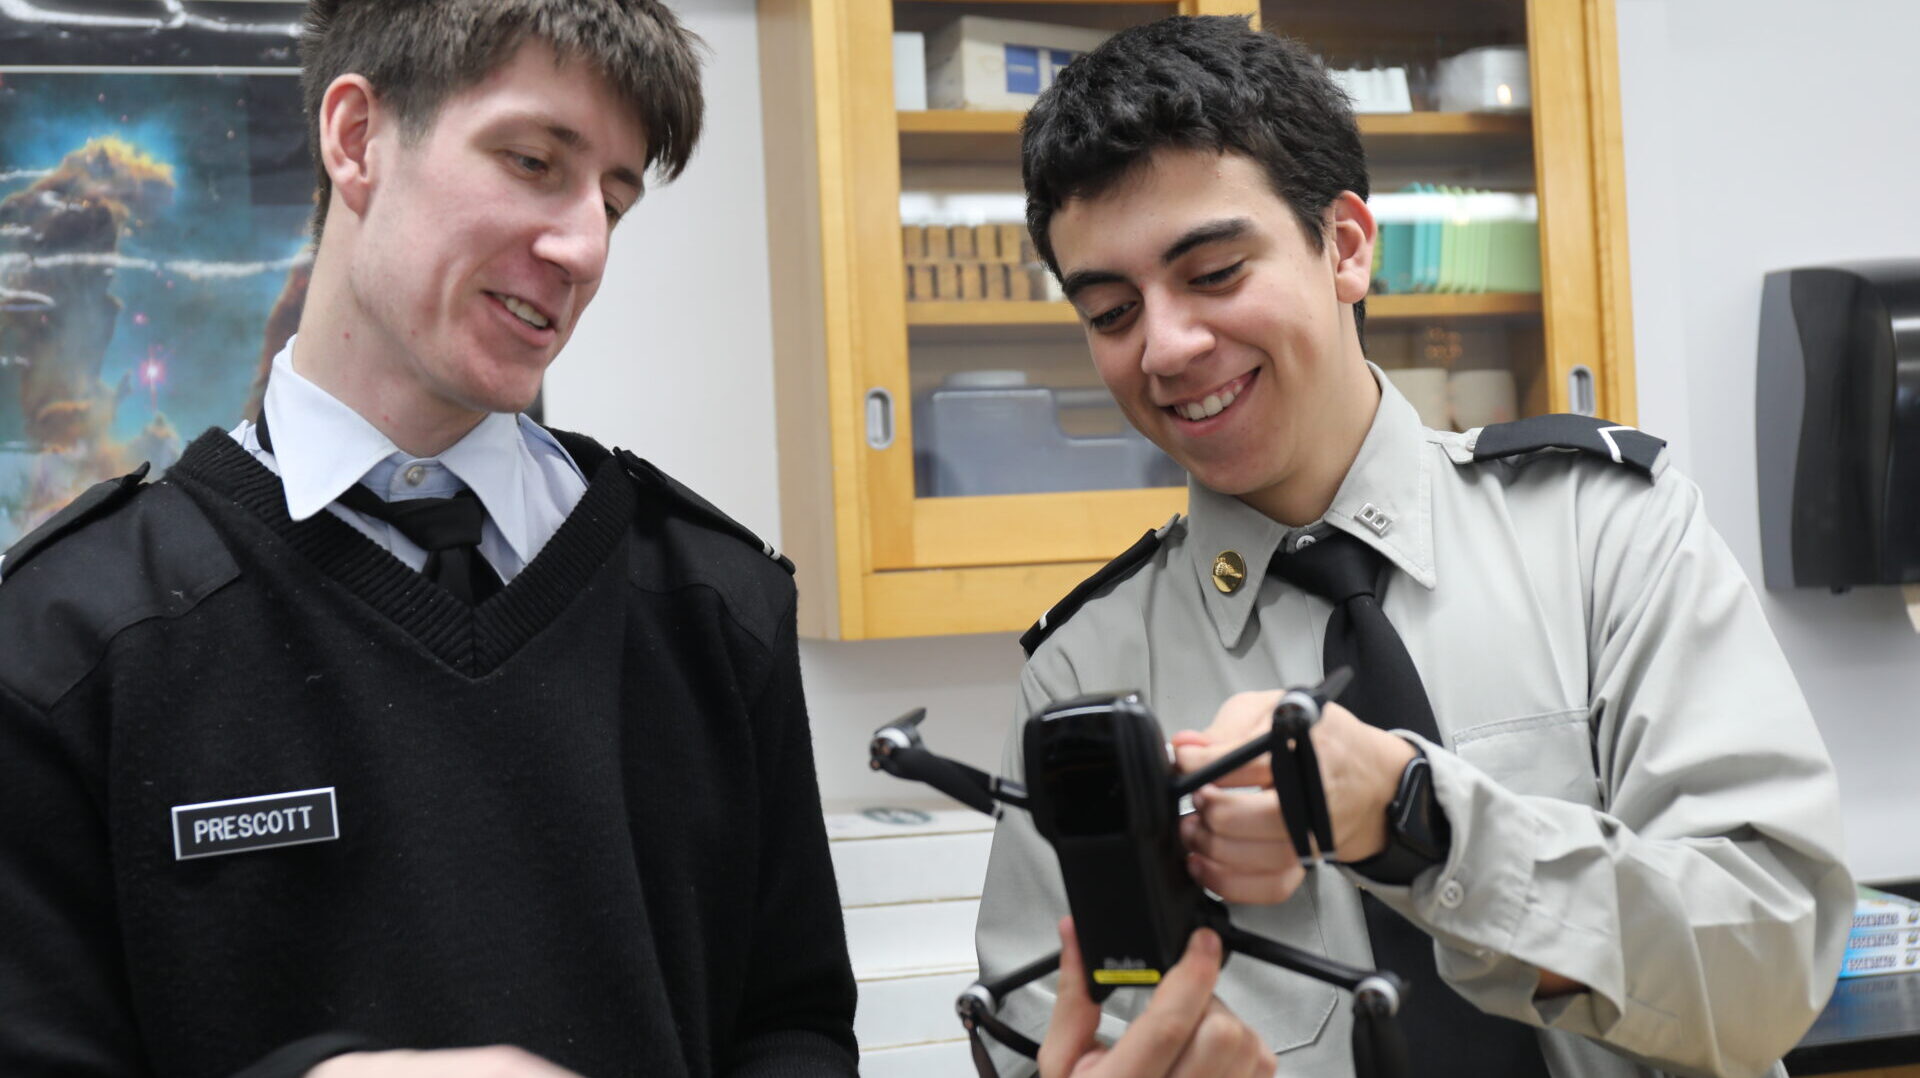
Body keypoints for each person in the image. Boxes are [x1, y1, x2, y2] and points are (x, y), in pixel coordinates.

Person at [978, 15, 1853, 1077]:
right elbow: (1044, 1038)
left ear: (1345, 246)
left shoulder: (1607, 533)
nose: (1165, 347)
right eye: (1112, 310)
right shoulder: (1086, 676)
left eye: (1211, 273)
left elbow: (1771, 974)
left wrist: (1421, 821)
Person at [0, 2, 857, 1076]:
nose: (584, 246)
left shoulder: (715, 606)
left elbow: (795, 1025)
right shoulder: (66, 646)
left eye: (615, 202)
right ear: (356, 138)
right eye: (534, 160)